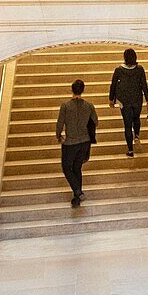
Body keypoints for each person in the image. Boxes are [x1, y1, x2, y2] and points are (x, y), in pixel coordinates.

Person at [56, 79, 98, 207]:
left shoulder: (66, 106)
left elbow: (60, 123)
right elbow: (95, 121)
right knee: (77, 168)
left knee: (66, 168)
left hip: (71, 143)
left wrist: (59, 136)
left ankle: (78, 192)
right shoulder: (89, 106)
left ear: (72, 89)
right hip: (84, 141)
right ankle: (77, 197)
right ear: (83, 90)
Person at [109, 48, 148, 158]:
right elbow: (144, 85)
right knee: (136, 118)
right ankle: (137, 135)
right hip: (137, 99)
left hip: (124, 101)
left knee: (127, 125)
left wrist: (111, 99)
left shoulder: (118, 70)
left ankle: (130, 150)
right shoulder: (140, 69)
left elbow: (113, 85)